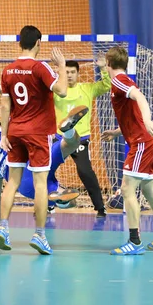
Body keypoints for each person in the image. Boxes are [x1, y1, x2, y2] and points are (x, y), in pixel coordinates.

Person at [0, 25, 69, 255]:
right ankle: (40, 235)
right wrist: (63, 66)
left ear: (19, 43)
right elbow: (63, 90)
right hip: (38, 133)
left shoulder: (8, 70)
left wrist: (4, 134)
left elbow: (5, 106)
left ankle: (3, 228)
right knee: (40, 184)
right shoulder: (40, 68)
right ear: (38, 43)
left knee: (12, 183)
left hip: (15, 131)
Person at [100, 46, 153, 255]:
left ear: (109, 64)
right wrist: (118, 132)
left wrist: (147, 120)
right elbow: (131, 114)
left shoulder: (119, 80)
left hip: (142, 142)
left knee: (127, 189)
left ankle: (134, 241)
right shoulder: (123, 81)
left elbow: (140, 98)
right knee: (149, 190)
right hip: (147, 140)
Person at [0, 107, 88, 229]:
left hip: (24, 184)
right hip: (36, 161)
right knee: (71, 143)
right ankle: (68, 131)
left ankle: (59, 199)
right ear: (0, 127)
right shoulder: (9, 132)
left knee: (72, 203)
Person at [52, 58, 111, 218]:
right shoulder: (56, 90)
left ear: (78, 74)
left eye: (72, 72)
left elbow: (107, 85)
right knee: (45, 171)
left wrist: (103, 68)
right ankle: (48, 205)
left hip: (80, 140)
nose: (69, 75)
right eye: (66, 72)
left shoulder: (87, 89)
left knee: (85, 171)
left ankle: (100, 208)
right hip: (59, 138)